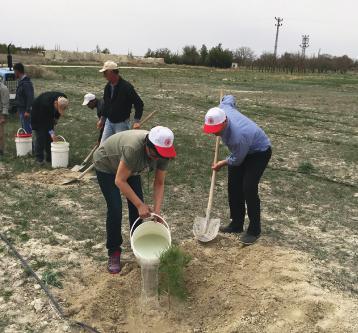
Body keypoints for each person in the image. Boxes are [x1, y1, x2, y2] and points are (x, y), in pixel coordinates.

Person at [93, 126, 176, 273]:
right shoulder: (134, 149)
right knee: (115, 209)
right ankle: (114, 252)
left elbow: (159, 182)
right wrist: (139, 204)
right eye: (156, 155)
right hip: (106, 164)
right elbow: (119, 180)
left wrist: (157, 212)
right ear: (148, 146)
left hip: (131, 168)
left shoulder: (163, 153)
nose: (159, 158)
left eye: (163, 155)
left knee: (138, 210)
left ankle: (137, 248)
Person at [203, 95, 272, 245]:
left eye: (216, 130)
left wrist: (222, 162)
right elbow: (229, 98)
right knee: (234, 187)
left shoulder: (238, 136)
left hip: (258, 152)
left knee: (248, 188)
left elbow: (238, 159)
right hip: (242, 150)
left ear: (225, 122)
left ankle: (254, 230)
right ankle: (236, 224)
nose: (214, 133)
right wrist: (224, 99)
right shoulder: (223, 109)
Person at [99, 61, 144, 143]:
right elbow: (106, 104)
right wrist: (102, 120)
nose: (104, 75)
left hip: (122, 124)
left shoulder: (127, 87)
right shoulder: (107, 87)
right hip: (109, 122)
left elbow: (139, 103)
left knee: (119, 147)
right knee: (103, 146)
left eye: (105, 73)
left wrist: (137, 121)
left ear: (112, 72)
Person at [31, 92, 69, 164]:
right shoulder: (46, 105)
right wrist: (52, 134)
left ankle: (50, 157)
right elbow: (48, 124)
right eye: (58, 108)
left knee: (49, 137)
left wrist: (56, 118)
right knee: (41, 136)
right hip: (38, 113)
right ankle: (39, 158)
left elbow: (58, 111)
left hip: (48, 114)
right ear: (55, 103)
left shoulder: (63, 98)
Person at [14, 63, 34, 134]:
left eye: (14, 71)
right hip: (21, 110)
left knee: (27, 132)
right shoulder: (21, 82)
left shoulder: (26, 83)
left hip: (25, 111)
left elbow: (30, 97)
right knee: (24, 131)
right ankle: (26, 145)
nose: (14, 73)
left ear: (17, 71)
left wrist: (28, 111)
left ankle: (31, 145)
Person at [0, 80, 9, 156]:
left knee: (1, 134)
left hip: (0, 113)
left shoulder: (4, 88)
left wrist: (3, 116)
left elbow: (5, 104)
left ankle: (2, 150)